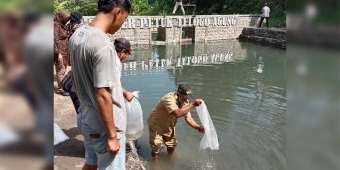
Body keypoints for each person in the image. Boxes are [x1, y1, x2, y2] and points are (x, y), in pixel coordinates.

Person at [68, 0, 132, 169]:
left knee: (91, 162)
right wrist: (112, 136)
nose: (120, 25)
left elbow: (75, 77)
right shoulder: (103, 45)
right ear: (117, 12)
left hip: (86, 117)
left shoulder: (77, 35)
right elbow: (102, 94)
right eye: (124, 19)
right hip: (104, 125)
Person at [148, 84, 204, 157]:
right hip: (156, 125)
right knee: (156, 148)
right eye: (186, 95)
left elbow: (188, 118)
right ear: (179, 93)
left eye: (190, 95)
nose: (188, 97)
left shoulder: (185, 101)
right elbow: (177, 113)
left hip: (169, 126)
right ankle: (155, 163)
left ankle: (170, 160)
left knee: (171, 146)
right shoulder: (169, 99)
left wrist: (199, 128)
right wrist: (193, 104)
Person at [54, 11, 70, 96]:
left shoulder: (62, 25)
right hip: (58, 52)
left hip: (63, 51)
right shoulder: (56, 25)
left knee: (62, 70)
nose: (67, 20)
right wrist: (59, 53)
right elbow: (55, 39)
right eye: (66, 18)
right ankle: (61, 89)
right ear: (61, 17)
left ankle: (62, 87)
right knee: (61, 70)